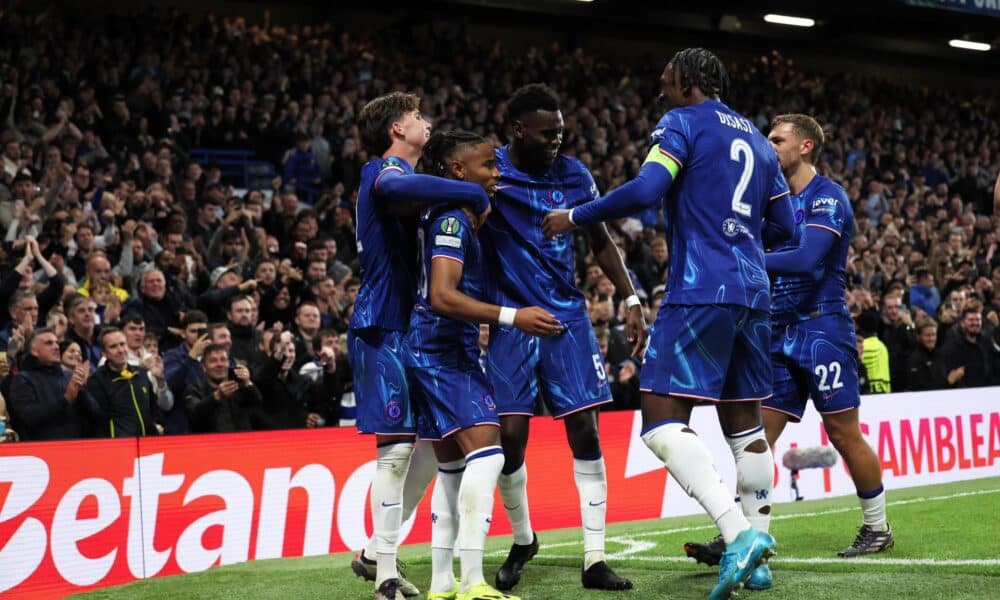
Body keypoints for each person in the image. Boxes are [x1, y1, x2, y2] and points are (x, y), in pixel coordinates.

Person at [542, 48, 794, 598]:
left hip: (701, 288)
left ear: (688, 80)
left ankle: (739, 536)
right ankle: (761, 555)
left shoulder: (681, 122)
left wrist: (575, 215)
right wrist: (740, 241)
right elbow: (788, 227)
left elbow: (647, 189)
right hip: (754, 292)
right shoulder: (757, 140)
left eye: (666, 81)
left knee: (658, 421)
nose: (661, 91)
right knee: (746, 427)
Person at [685, 113, 893, 574]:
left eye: (776, 139)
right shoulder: (765, 202)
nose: (769, 145)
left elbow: (805, 259)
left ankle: (877, 527)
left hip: (823, 331)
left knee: (842, 433)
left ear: (804, 147)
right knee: (757, 440)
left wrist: (742, 253)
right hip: (776, 333)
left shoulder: (828, 198)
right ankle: (740, 535)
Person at [481, 83, 644, 593]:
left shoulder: (575, 175)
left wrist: (631, 297)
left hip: (566, 320)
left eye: (561, 133)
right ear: (517, 130)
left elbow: (599, 240)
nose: (557, 141)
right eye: (547, 134)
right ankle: (525, 538)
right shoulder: (489, 171)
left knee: (586, 432)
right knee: (508, 439)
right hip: (512, 317)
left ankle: (594, 559)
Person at [408, 130, 563, 600]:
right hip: (440, 352)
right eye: (487, 166)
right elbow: (442, 295)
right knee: (490, 453)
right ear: (458, 171)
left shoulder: (453, 214)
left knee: (452, 467)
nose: (497, 173)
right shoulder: (452, 219)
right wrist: (514, 316)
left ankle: (440, 584)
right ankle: (473, 582)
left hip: (433, 347)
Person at [349, 91, 491, 600]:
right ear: (395, 130)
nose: (425, 121)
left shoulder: (414, 188)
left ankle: (372, 553)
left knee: (435, 447)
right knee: (394, 454)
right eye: (416, 116)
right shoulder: (378, 174)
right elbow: (394, 187)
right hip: (381, 327)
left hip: (417, 329)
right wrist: (471, 194)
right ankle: (386, 572)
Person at [85, 327, 172, 437]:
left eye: (122, 344)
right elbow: (97, 421)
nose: (120, 350)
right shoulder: (97, 381)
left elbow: (154, 409)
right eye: (113, 346)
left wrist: (156, 426)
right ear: (104, 353)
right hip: (120, 448)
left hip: (148, 444)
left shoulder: (141, 373)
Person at [7, 328, 92, 441]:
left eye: (56, 342)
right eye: (49, 343)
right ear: (34, 350)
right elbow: (29, 418)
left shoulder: (69, 376)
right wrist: (65, 399)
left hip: (75, 447)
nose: (56, 347)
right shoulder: (22, 379)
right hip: (42, 451)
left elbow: (95, 415)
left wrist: (81, 390)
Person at [184, 344, 260, 433]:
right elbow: (194, 415)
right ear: (204, 367)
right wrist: (216, 396)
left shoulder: (239, 385)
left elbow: (257, 402)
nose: (219, 364)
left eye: (223, 360)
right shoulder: (194, 389)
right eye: (213, 361)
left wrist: (247, 383)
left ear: (228, 363)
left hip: (240, 443)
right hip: (209, 444)